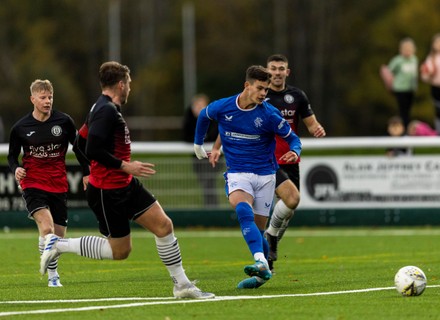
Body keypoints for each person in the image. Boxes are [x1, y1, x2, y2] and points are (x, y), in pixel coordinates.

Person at [40, 61, 214, 299]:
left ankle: (182, 285)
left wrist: (89, 171)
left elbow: (80, 143)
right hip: (108, 191)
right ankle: (58, 245)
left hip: (125, 185)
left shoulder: (103, 107)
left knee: (164, 226)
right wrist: (125, 166)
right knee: (120, 251)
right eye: (129, 84)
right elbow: (92, 147)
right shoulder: (105, 111)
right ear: (121, 84)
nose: (130, 88)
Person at [195, 65, 302, 289]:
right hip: (238, 172)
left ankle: (262, 275)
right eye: (260, 88)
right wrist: (198, 144)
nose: (264, 93)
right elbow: (204, 116)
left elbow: (293, 139)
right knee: (242, 209)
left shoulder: (269, 114)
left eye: (266, 89)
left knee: (258, 231)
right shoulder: (224, 106)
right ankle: (261, 261)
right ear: (247, 86)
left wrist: (295, 151)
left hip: (266, 175)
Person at [7, 79, 89, 287]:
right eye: (43, 97)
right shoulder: (20, 128)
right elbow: (11, 157)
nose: (47, 101)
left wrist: (88, 172)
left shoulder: (64, 122)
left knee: (58, 237)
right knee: (47, 227)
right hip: (32, 183)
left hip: (58, 184)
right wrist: (15, 168)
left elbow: (79, 148)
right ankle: (53, 276)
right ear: (32, 99)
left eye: (50, 97)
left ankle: (47, 256)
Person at [262, 54, 326, 273]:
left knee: (290, 207)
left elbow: (311, 123)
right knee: (286, 202)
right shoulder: (260, 94)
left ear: (287, 72)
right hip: (267, 159)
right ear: (267, 71)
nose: (277, 72)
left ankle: (270, 243)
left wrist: (317, 128)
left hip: (290, 158)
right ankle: (267, 243)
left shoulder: (297, 96)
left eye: (281, 68)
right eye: (273, 68)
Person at [183, 93, 220, 207]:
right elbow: (186, 136)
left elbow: (216, 135)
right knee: (206, 183)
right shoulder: (189, 120)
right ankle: (211, 207)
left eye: (201, 106)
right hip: (198, 159)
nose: (199, 109)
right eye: (196, 106)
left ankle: (211, 207)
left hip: (213, 156)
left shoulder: (213, 119)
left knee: (208, 182)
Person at [386, 37, 419, 128]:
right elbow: (388, 71)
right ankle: (403, 128)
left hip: (410, 88)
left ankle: (407, 128)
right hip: (400, 88)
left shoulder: (414, 59)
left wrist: (415, 85)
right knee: (403, 110)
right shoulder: (398, 60)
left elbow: (414, 74)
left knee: (409, 110)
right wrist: (391, 83)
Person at [420, 33, 440, 134]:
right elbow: (425, 75)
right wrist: (426, 74)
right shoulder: (430, 58)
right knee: (438, 109)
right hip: (436, 87)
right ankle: (438, 130)